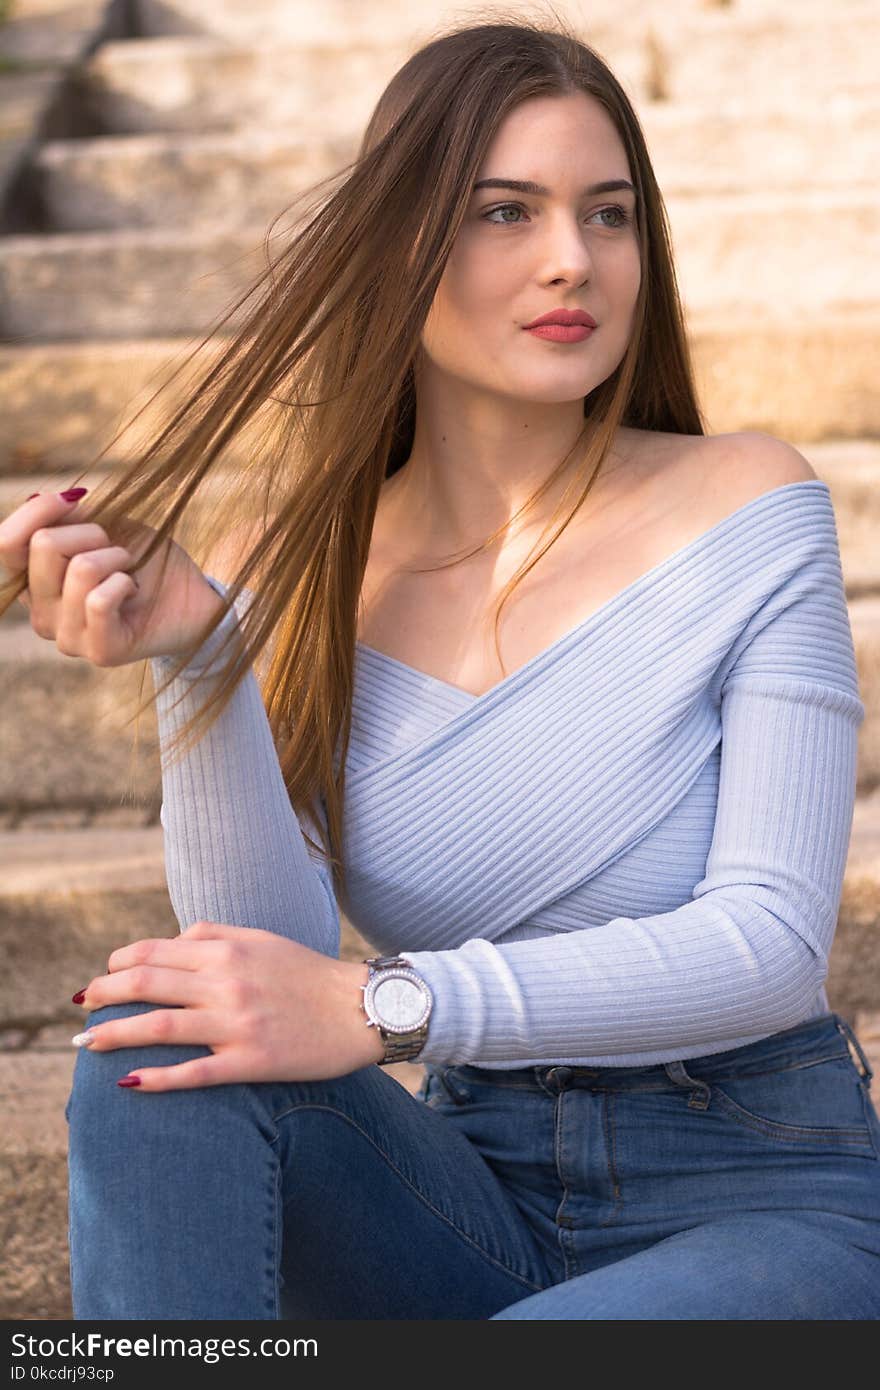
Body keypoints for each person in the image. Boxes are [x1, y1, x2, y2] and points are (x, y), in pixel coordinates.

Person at [2, 16, 879, 1321]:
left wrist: (385, 1001)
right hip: (467, 1199)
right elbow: (261, 960)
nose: (572, 258)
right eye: (504, 212)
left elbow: (766, 945)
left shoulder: (744, 501)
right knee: (165, 1029)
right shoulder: (296, 568)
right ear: (401, 242)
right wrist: (200, 655)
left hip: (762, 1194)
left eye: (610, 214)